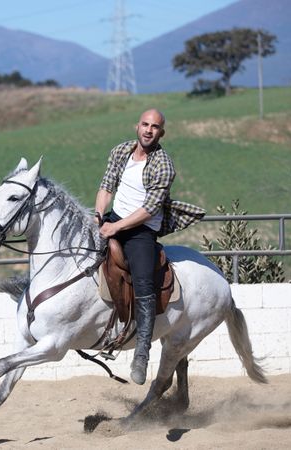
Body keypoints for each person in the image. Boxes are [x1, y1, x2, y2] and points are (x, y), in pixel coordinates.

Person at [94, 109, 205, 385]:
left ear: (161, 133)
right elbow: (106, 187)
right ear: (137, 126)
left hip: (142, 229)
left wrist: (116, 228)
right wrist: (98, 217)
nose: (148, 130)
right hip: (114, 219)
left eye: (155, 127)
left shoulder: (163, 165)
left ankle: (142, 350)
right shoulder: (120, 151)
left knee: (143, 280)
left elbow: (148, 209)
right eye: (145, 124)